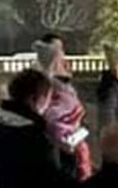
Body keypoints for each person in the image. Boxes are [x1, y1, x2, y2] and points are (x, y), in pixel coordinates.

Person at [33, 36, 92, 180]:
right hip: (60, 149)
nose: (62, 56)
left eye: (62, 50)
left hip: (72, 145)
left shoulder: (65, 87)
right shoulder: (46, 88)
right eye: (57, 51)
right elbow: (51, 119)